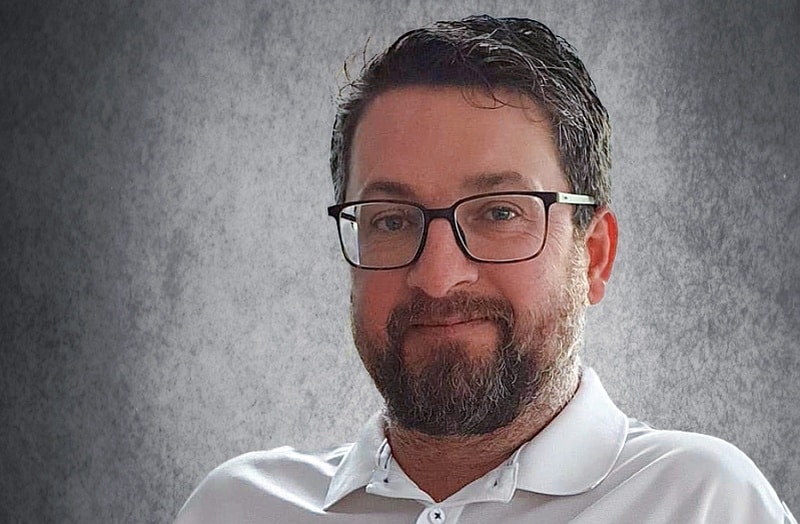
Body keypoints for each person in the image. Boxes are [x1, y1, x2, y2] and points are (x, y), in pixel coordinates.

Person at [175, 15, 796, 523]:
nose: (438, 277)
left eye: (500, 212)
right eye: (391, 220)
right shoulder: (235, 508)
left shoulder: (704, 503)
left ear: (594, 255)